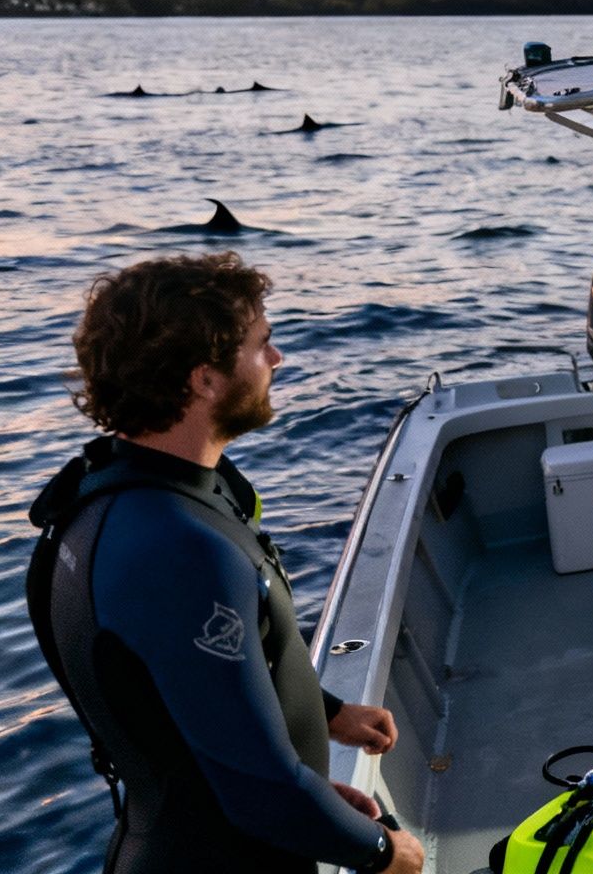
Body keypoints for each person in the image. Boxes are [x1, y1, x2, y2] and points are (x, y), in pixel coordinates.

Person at [25, 252, 423, 874]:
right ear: (204, 380)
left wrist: (328, 716)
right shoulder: (180, 550)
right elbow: (260, 795)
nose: (277, 360)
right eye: (262, 344)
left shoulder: (116, 495)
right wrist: (381, 851)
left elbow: (190, 689)